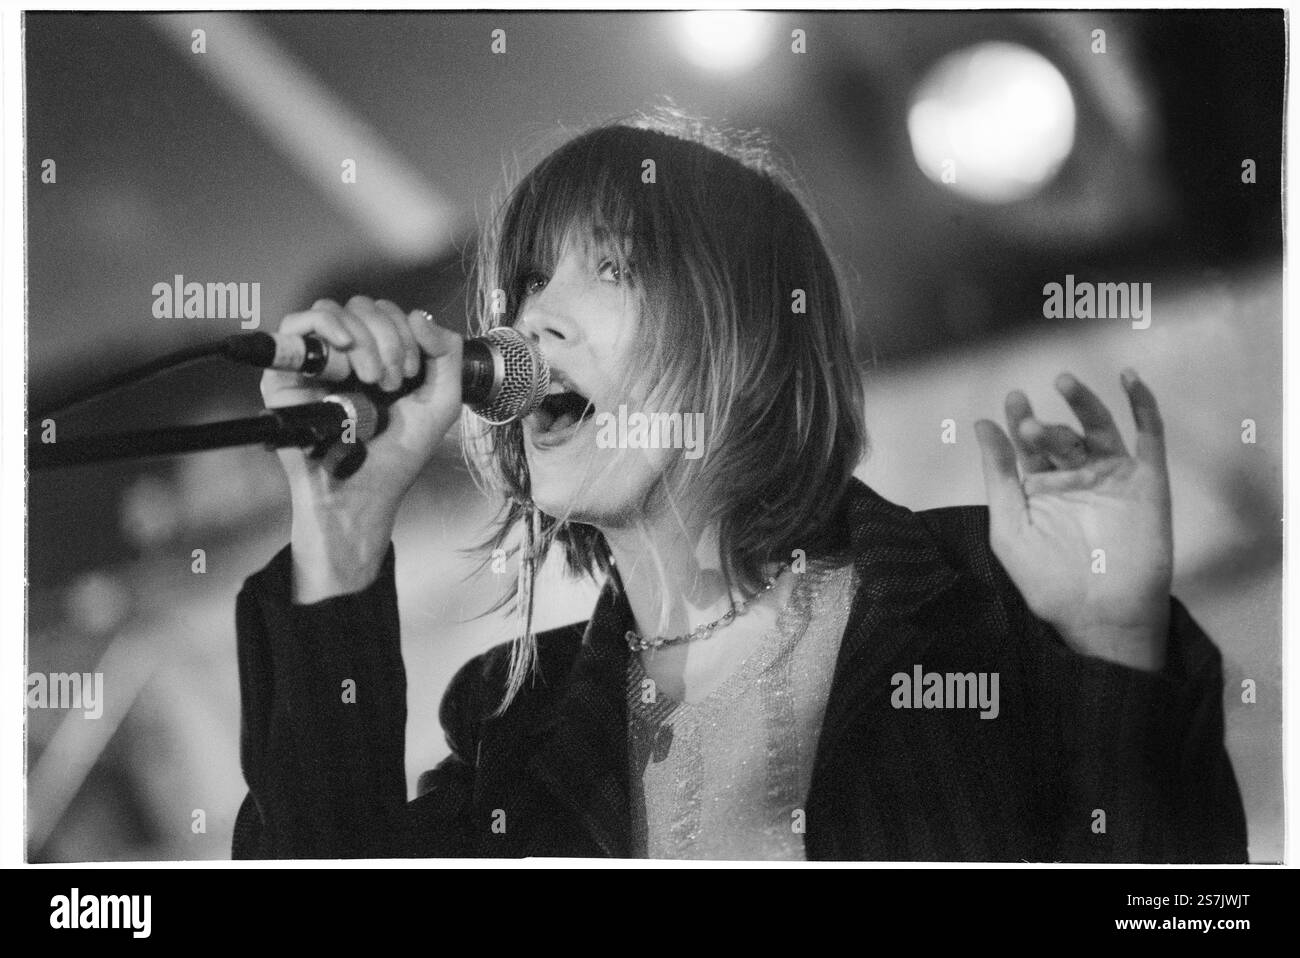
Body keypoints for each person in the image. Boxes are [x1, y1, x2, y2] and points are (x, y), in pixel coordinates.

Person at [231, 114, 1247, 861]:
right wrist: (341, 529)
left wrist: (1112, 646)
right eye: (528, 284)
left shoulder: (997, 600)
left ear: (750, 335)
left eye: (616, 268)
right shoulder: (510, 729)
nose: (531, 323)